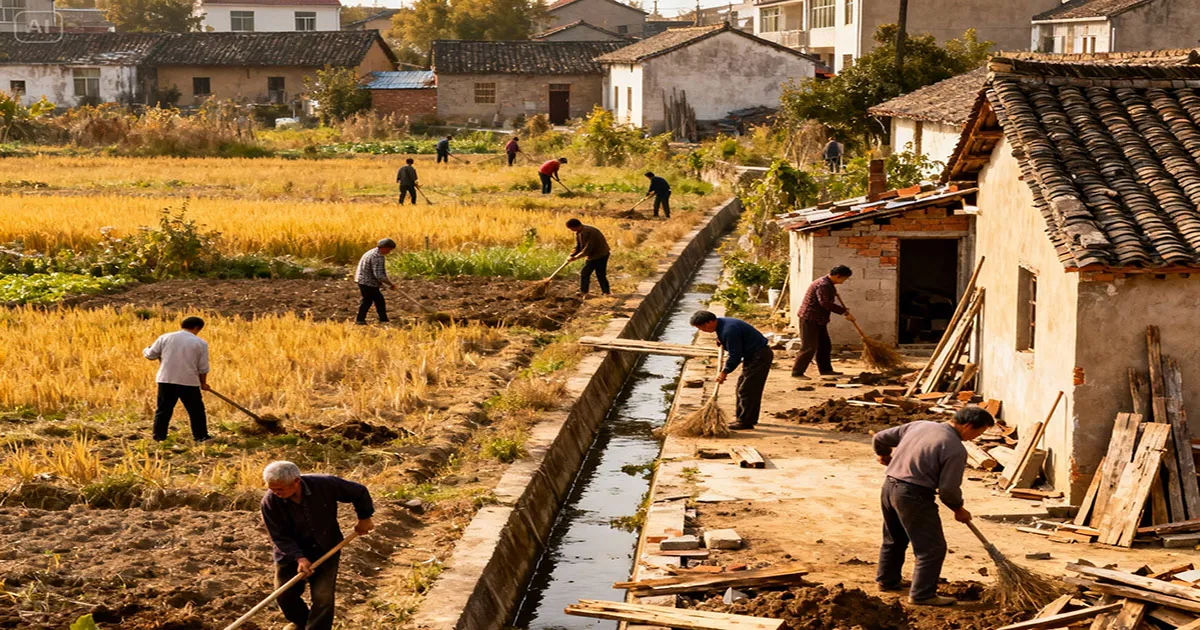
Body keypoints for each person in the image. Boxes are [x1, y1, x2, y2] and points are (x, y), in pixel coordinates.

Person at [872, 407, 994, 606]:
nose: (974, 438)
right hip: (913, 495)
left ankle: (887, 581)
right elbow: (948, 490)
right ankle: (922, 595)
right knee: (932, 549)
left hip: (889, 488)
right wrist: (958, 509)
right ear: (968, 426)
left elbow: (879, 438)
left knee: (894, 538)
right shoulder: (954, 448)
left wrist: (883, 455)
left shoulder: (919, 425)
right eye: (977, 433)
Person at [260, 461, 375, 630]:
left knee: (323, 597)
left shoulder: (324, 484)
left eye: (280, 489)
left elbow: (359, 492)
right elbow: (279, 536)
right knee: (285, 595)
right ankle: (302, 623)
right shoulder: (270, 502)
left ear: (296, 482)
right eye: (272, 489)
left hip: (326, 547)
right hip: (290, 555)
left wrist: (364, 518)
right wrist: (299, 558)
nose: (275, 493)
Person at [689, 310, 773, 431]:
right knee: (743, 387)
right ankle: (746, 418)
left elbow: (735, 356)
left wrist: (724, 372)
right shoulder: (721, 324)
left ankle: (745, 422)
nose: (702, 330)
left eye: (702, 327)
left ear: (711, 321)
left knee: (747, 389)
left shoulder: (729, 330)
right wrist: (721, 340)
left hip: (759, 356)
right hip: (752, 355)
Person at [143, 316, 211, 442]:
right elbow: (203, 367)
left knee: (163, 409)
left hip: (166, 379)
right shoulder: (200, 343)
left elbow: (150, 355)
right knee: (196, 410)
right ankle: (201, 436)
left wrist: (146, 349)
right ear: (197, 328)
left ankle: (159, 436)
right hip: (188, 381)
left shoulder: (165, 337)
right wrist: (203, 383)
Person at [792, 265, 855, 379]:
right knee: (809, 347)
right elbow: (825, 303)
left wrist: (844, 311)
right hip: (809, 318)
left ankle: (826, 370)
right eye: (844, 279)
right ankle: (797, 372)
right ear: (838, 276)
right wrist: (843, 312)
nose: (844, 282)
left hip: (820, 319)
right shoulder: (823, 285)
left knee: (824, 345)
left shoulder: (829, 284)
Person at [355, 239, 397, 325]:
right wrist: (390, 284)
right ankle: (361, 320)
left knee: (376, 300)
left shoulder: (371, 252)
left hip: (362, 279)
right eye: (389, 249)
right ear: (384, 247)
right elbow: (379, 275)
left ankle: (382, 319)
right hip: (368, 282)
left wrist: (384, 283)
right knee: (370, 301)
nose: (389, 252)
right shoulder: (378, 257)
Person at [566, 218, 610, 297]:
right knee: (587, 273)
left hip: (601, 255)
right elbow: (579, 246)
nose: (571, 230)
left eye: (571, 228)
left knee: (595, 273)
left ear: (576, 226)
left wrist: (576, 257)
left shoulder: (589, 232)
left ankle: (605, 292)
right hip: (593, 255)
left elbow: (588, 249)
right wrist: (571, 255)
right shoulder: (579, 232)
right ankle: (586, 291)